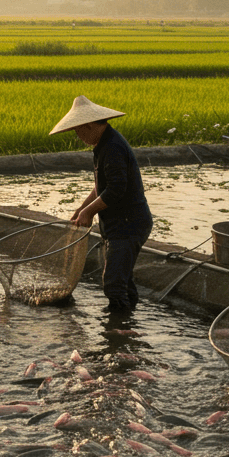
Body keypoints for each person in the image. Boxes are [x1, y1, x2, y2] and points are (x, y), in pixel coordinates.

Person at [49, 95, 152, 313]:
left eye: (78, 131)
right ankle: (129, 320)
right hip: (119, 224)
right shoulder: (104, 144)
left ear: (88, 125)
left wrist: (89, 212)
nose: (78, 136)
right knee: (122, 280)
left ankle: (119, 329)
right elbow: (101, 186)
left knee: (113, 284)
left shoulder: (113, 147)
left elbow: (116, 189)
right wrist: (82, 209)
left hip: (128, 225)